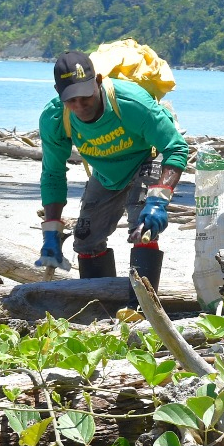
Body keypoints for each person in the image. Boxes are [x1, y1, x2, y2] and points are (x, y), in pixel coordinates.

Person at [36, 51, 189, 289]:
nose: (79, 106)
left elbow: (176, 147)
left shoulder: (131, 103)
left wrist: (159, 199)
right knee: (85, 239)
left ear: (97, 81)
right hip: (107, 171)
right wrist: (51, 228)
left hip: (146, 155)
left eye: (85, 96)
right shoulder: (55, 118)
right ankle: (99, 302)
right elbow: (53, 174)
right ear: (58, 92)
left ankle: (142, 305)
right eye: (71, 99)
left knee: (143, 225)